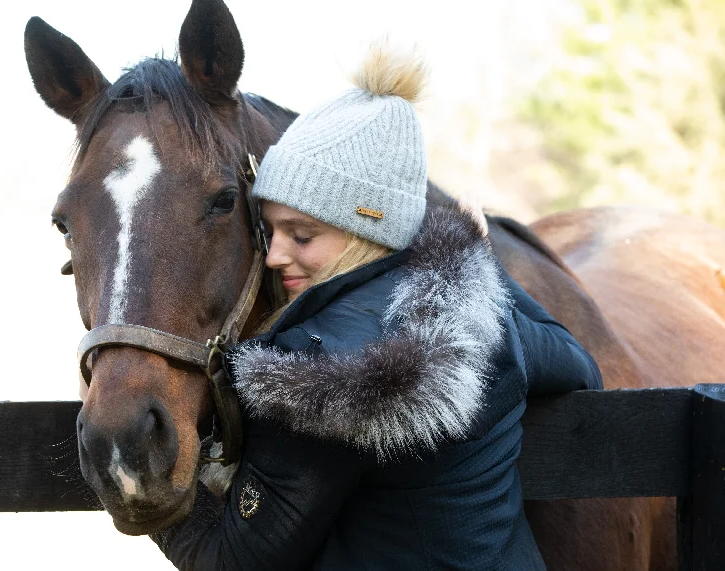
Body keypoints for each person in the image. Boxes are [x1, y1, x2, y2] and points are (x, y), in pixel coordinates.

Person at [151, 42, 603, 570]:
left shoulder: (308, 372)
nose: (274, 255)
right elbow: (580, 364)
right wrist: (474, 259)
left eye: (301, 234)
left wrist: (143, 485)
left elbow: (231, 561)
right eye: (269, 230)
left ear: (368, 229)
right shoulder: (484, 320)